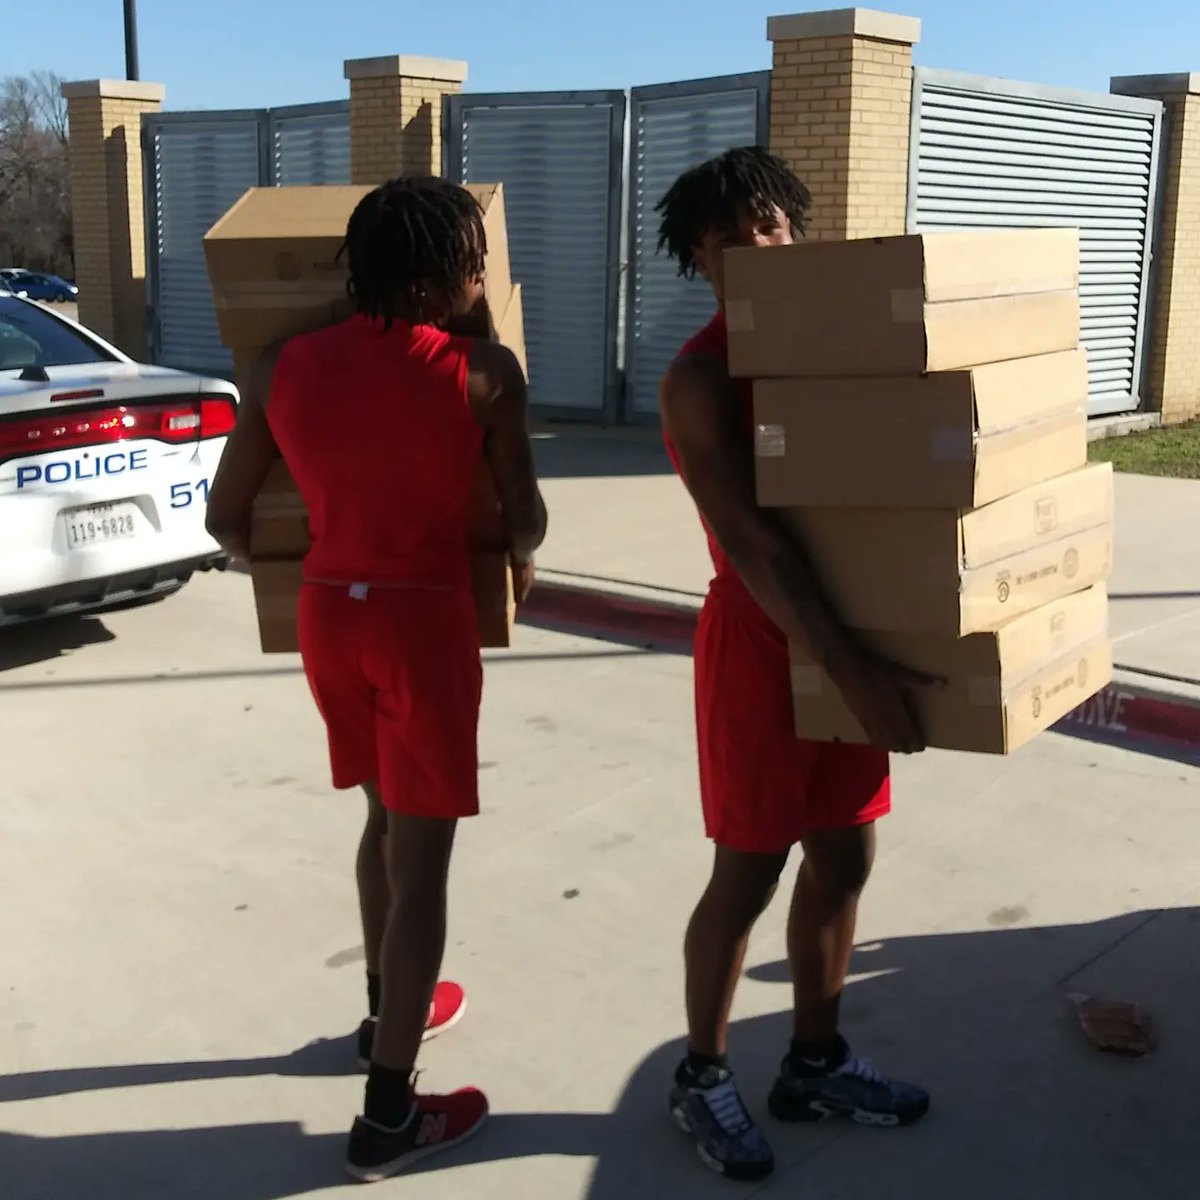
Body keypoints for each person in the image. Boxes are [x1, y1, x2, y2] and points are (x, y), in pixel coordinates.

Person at [205, 176, 547, 1183]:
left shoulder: (280, 368)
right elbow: (523, 520)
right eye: (471, 258)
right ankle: (390, 1115)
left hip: (328, 616)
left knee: (380, 824)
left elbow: (227, 522)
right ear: (449, 272)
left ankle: (382, 1013)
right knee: (425, 865)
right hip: (422, 625)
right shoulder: (485, 375)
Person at [654, 147, 933, 1182]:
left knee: (848, 856)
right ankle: (703, 1073)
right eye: (737, 236)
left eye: (776, 227)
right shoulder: (697, 380)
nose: (765, 247)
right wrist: (849, 667)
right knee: (749, 872)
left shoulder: (834, 353)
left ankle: (815, 1060)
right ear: (701, 257)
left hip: (847, 639)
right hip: (764, 649)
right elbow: (753, 546)